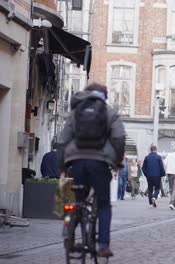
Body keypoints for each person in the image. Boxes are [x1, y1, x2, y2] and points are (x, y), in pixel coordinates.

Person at [57, 83, 126, 257]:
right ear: (105, 96)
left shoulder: (75, 112)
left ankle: (70, 230)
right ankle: (103, 245)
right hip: (100, 162)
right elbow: (118, 137)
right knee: (103, 204)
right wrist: (117, 160)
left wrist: (62, 166)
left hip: (77, 161)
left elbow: (63, 140)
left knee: (76, 200)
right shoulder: (109, 112)